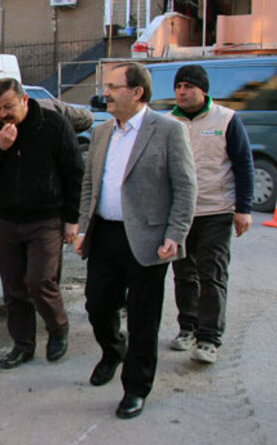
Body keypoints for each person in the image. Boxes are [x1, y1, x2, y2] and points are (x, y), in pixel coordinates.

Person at [75, 62, 196, 419]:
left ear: (137, 92)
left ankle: (136, 388)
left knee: (144, 319)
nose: (106, 93)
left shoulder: (168, 130)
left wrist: (176, 233)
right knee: (97, 305)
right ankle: (113, 351)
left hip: (149, 239)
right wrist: (83, 228)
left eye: (114, 86)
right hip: (106, 234)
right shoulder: (101, 133)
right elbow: (89, 186)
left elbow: (185, 187)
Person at [0, 78, 83, 369]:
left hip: (45, 218)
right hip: (7, 219)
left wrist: (72, 219)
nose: (3, 113)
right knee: (13, 287)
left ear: (24, 100)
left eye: (8, 106)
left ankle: (58, 329)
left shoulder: (53, 125)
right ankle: (22, 345)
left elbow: (74, 173)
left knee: (40, 281)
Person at [166, 65, 254, 364]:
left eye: (189, 86)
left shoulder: (226, 119)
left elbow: (244, 164)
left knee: (212, 273)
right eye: (179, 86)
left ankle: (209, 339)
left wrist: (243, 209)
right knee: (183, 274)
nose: (182, 91)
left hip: (216, 209)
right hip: (180, 213)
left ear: (203, 90)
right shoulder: (168, 122)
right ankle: (187, 328)